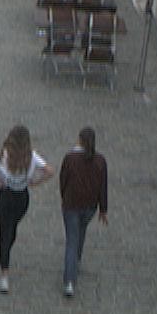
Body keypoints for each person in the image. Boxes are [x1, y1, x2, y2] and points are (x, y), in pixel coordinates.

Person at [0, 125, 54, 293]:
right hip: (22, 199)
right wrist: (35, 182)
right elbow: (49, 171)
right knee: (12, 229)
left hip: (5, 197)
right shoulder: (31, 157)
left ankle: (4, 275)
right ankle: (6, 250)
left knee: (3, 234)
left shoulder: (2, 154)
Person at [57, 126, 109, 299]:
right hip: (90, 206)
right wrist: (103, 209)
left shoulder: (70, 158)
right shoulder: (100, 161)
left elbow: (63, 180)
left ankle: (69, 280)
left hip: (72, 204)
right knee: (80, 232)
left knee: (71, 239)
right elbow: (103, 186)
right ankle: (76, 261)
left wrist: (64, 197)